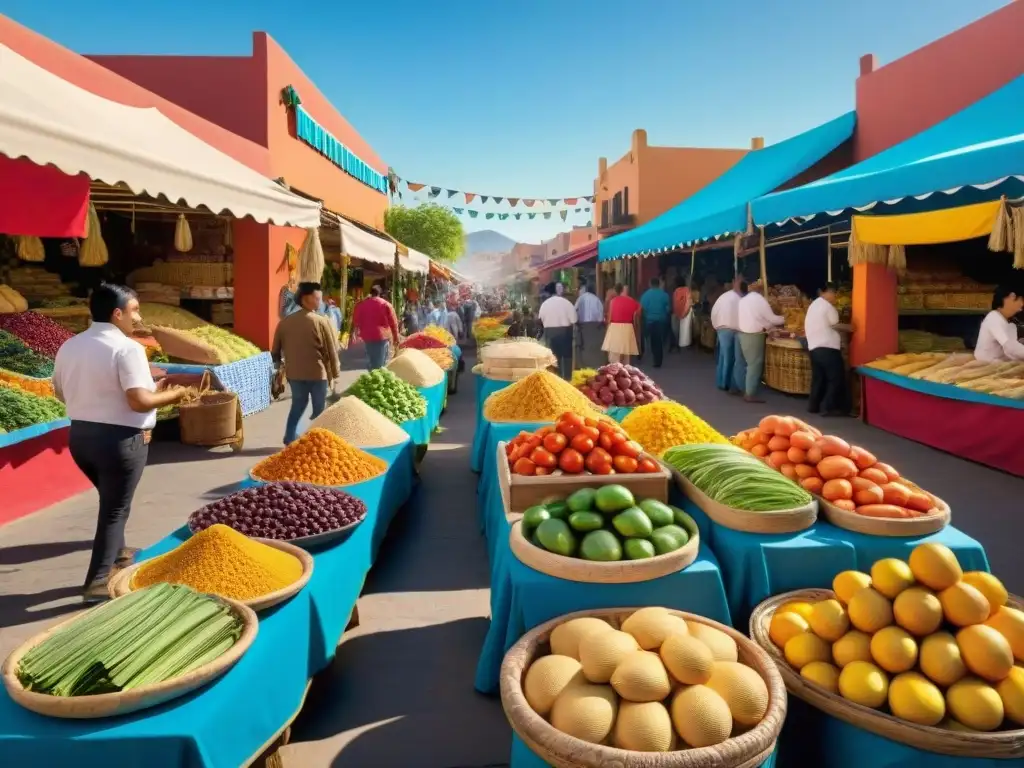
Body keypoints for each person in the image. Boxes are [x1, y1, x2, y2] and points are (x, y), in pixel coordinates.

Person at [53, 283, 188, 602]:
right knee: (115, 509)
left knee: (111, 498)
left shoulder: (70, 345)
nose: (137, 317)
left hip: (81, 438)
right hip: (119, 441)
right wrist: (176, 393)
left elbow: (60, 392)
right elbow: (140, 401)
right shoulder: (127, 348)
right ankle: (97, 582)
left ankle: (118, 553)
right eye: (134, 310)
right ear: (117, 313)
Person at [273, 282, 342, 444]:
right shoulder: (321, 321)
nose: (319, 301)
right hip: (317, 373)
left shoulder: (284, 323)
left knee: (297, 405)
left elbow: (275, 350)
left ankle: (289, 437)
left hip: (294, 374)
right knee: (319, 409)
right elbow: (331, 350)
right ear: (304, 299)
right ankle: (318, 442)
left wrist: (279, 368)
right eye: (316, 297)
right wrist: (336, 373)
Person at [806, 282, 851, 416]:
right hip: (828, 347)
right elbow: (834, 324)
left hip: (814, 347)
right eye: (833, 292)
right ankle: (829, 407)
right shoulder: (827, 306)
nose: (835, 296)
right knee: (835, 378)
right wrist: (849, 327)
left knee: (818, 378)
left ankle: (813, 406)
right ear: (825, 292)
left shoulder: (813, 305)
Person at [737, 280, 784, 403]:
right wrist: (786, 318)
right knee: (754, 364)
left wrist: (768, 326)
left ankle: (743, 388)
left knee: (745, 363)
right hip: (754, 336)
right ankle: (750, 393)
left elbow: (758, 319)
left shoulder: (743, 300)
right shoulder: (759, 300)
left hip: (743, 334)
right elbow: (772, 319)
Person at [352, 285, 400, 370]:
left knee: (371, 361)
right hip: (381, 337)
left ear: (371, 293)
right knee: (380, 365)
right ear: (380, 293)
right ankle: (378, 380)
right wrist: (396, 338)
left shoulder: (362, 304)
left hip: (367, 338)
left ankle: (372, 378)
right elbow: (394, 322)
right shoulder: (386, 304)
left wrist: (355, 333)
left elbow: (356, 320)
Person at [710, 276, 744, 392]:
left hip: (721, 329)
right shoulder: (738, 298)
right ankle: (726, 383)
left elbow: (714, 311)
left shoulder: (724, 296)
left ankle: (721, 381)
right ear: (735, 283)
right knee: (729, 357)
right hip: (731, 329)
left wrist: (716, 326)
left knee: (723, 356)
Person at [538, 282, 577, 379]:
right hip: (565, 333)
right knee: (567, 359)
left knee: (552, 359)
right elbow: (574, 320)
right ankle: (567, 379)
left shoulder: (545, 304)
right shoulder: (567, 303)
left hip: (549, 333)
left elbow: (540, 320)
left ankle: (554, 381)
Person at [975, 285, 1024, 362]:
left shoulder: (1011, 324)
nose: (1022, 306)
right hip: (986, 366)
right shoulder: (993, 317)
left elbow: (1013, 349)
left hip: (1000, 364)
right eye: (1021, 300)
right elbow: (1010, 347)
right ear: (1012, 297)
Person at [602, 283, 641, 363]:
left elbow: (609, 318)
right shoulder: (632, 301)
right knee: (626, 355)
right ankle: (624, 372)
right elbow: (638, 312)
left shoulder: (613, 301)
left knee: (614, 354)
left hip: (615, 327)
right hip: (628, 328)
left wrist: (607, 331)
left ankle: (615, 372)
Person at [640, 277, 673, 368]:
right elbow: (668, 309)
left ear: (650, 284)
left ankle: (655, 358)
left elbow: (642, 309)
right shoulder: (664, 295)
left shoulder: (645, 295)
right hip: (661, 321)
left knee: (652, 340)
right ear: (658, 284)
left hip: (650, 321)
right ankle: (658, 359)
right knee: (659, 340)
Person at [575, 282, 605, 368]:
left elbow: (575, 311)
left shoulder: (580, 299)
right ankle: (594, 364)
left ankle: (584, 364)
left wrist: (577, 322)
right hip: (595, 325)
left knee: (583, 346)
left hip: (582, 325)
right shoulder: (597, 299)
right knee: (593, 346)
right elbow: (600, 314)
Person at [672, 276, 693, 350]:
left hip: (679, 313)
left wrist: (679, 313)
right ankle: (683, 344)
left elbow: (675, 304)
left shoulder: (676, 291)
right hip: (685, 313)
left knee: (676, 330)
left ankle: (678, 344)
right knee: (685, 330)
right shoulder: (687, 290)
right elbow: (688, 302)